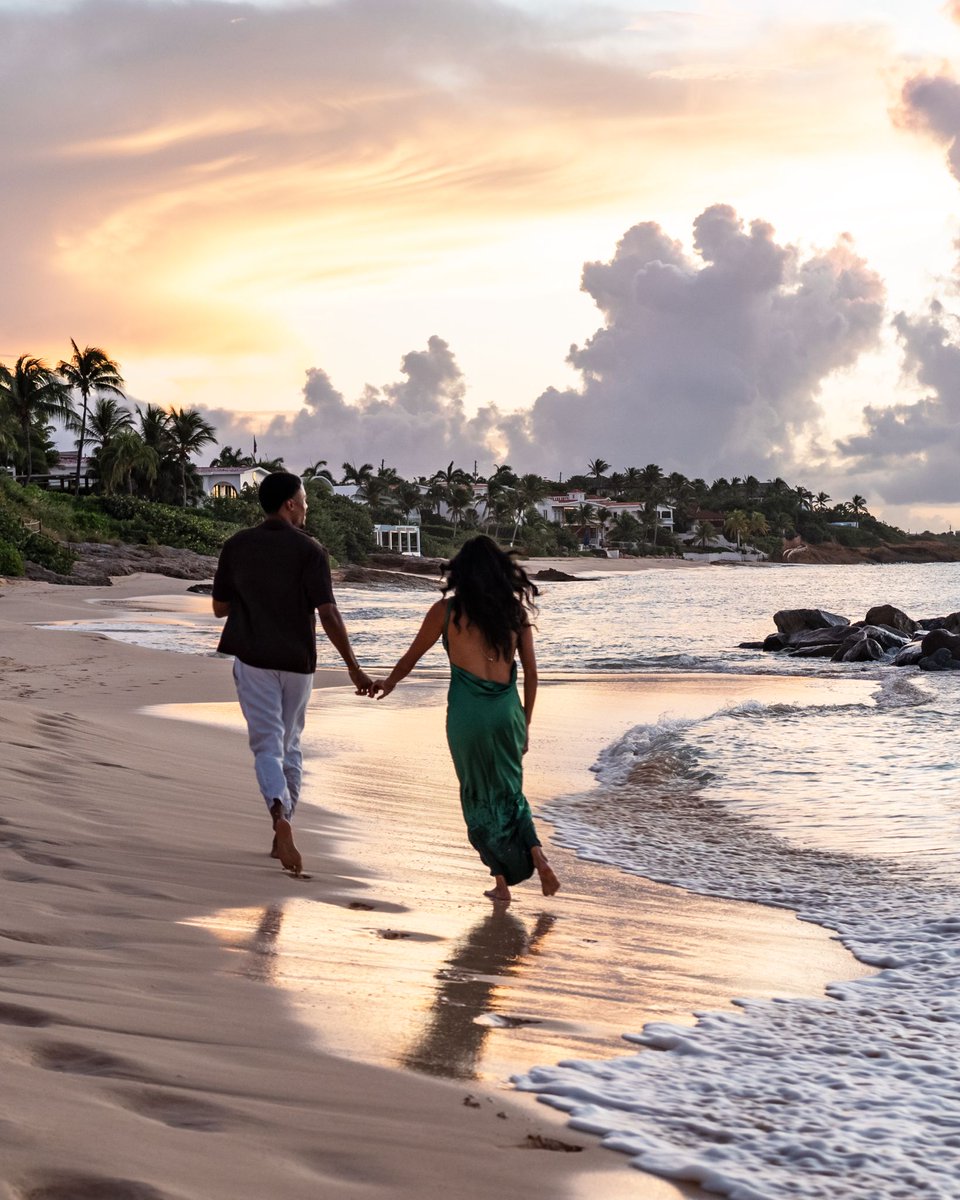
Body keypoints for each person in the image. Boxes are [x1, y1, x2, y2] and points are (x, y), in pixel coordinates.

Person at [372, 535, 559, 904]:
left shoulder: (445, 612)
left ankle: (501, 881)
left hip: (467, 715)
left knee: (476, 793)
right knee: (510, 791)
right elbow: (532, 674)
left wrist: (388, 683)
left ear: (462, 572)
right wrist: (525, 722)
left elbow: (411, 658)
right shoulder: (515, 614)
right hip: (507, 713)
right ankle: (536, 852)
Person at [212, 471, 373, 876]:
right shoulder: (311, 550)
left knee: (267, 747)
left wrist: (253, 596)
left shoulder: (237, 545)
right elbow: (328, 613)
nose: (306, 507)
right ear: (290, 504)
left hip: (253, 659)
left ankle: (278, 814)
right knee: (291, 744)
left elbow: (219, 607)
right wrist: (354, 668)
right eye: (304, 500)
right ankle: (284, 822)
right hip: (297, 663)